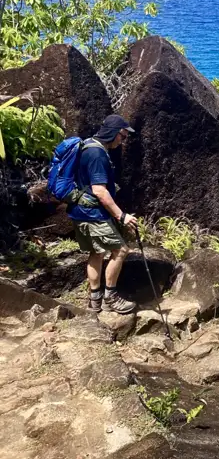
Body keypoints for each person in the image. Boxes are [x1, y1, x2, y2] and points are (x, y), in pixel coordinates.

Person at [68, 115, 139, 314]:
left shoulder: (88, 145)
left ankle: (95, 300)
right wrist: (121, 216)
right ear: (113, 133)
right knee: (121, 251)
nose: (122, 141)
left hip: (81, 210)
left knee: (97, 252)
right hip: (93, 214)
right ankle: (111, 298)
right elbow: (99, 190)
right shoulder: (98, 154)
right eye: (122, 137)